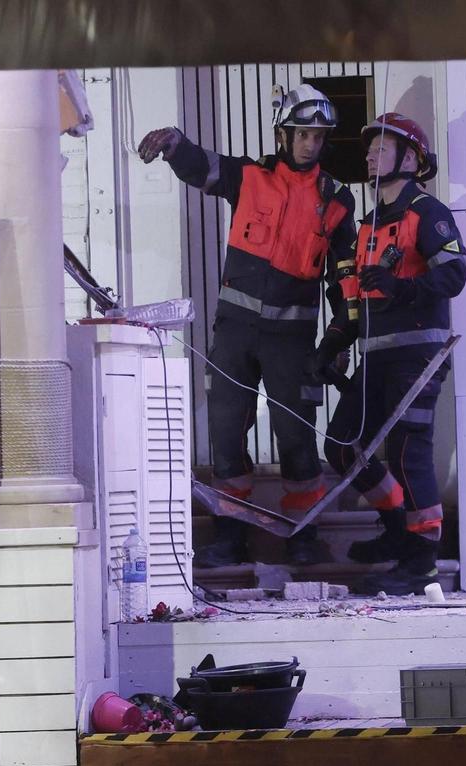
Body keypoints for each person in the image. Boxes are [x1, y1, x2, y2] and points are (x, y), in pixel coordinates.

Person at [138, 84, 357, 567]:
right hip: (234, 334)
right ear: (283, 133)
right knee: (226, 432)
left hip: (293, 343)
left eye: (318, 137)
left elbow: (345, 279)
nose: (310, 145)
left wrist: (340, 336)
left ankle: (301, 535)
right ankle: (230, 535)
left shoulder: (336, 200)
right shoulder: (249, 177)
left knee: (296, 437)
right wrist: (175, 144)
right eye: (302, 134)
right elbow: (205, 166)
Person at [314, 113, 466, 596]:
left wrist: (402, 288)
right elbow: (359, 296)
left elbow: (455, 274)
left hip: (418, 356)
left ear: (410, 158)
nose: (369, 155)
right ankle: (397, 525)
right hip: (375, 354)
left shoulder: (428, 211)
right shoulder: (369, 224)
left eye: (381, 148)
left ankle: (422, 562)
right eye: (370, 149)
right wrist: (334, 343)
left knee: (406, 448)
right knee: (341, 444)